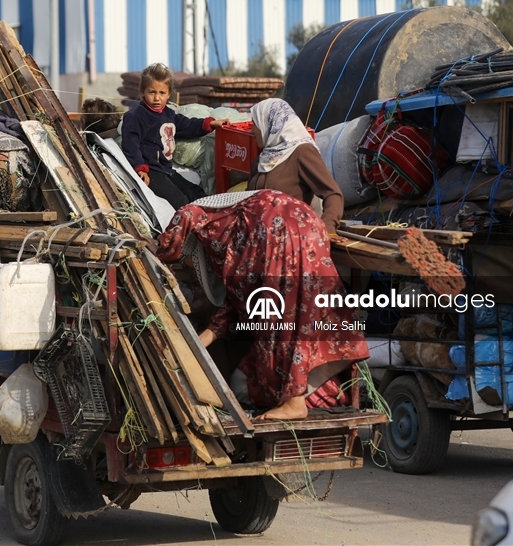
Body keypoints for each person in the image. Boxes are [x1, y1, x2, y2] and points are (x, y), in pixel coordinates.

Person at [157, 189, 369, 421]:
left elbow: (186, 213)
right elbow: (238, 303)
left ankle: (295, 402)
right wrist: (198, 344)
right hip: (305, 223)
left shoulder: (208, 220)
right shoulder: (235, 240)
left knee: (282, 318)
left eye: (188, 263)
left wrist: (163, 250)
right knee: (309, 310)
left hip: (275, 231)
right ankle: (296, 398)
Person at [121, 63, 228, 209]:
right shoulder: (136, 116)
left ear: (169, 93)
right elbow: (130, 143)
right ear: (142, 92)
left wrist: (209, 124)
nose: (157, 98)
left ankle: (214, 218)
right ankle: (192, 227)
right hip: (152, 172)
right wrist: (140, 168)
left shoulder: (168, 114)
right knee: (180, 201)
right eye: (152, 92)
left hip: (166, 170)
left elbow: (186, 125)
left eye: (162, 93)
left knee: (195, 193)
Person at [247, 98, 343, 235]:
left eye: (255, 124)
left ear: (270, 123)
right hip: (259, 238)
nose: (252, 130)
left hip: (292, 239)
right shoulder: (261, 160)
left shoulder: (301, 152)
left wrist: (328, 227)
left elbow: (333, 193)